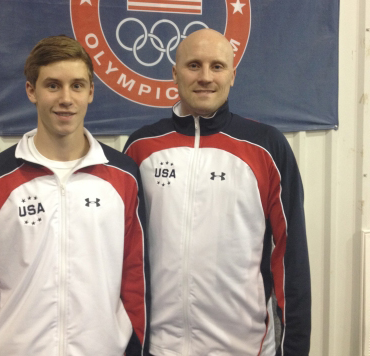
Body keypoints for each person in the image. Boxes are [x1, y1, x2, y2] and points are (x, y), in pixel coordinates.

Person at [0, 35, 150, 356]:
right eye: (52, 85)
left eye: (76, 85)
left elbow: (136, 280)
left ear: (91, 92)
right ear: (32, 91)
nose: (66, 98)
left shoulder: (124, 176)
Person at [123, 29, 311, 356]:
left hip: (246, 347)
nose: (205, 77)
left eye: (218, 66)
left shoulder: (266, 147)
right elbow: (125, 255)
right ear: (175, 73)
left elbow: (291, 256)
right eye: (194, 65)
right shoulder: (141, 148)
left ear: (233, 75)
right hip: (161, 347)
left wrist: (294, 348)